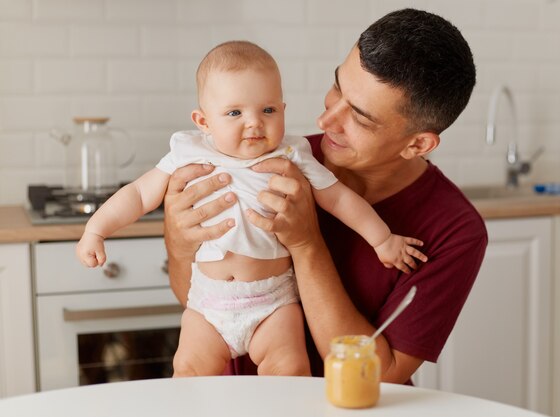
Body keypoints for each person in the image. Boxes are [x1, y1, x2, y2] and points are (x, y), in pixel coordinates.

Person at [163, 8, 488, 383]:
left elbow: (378, 374)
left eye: (361, 118)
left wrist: (306, 244)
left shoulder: (455, 230)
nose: (326, 121)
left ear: (418, 144)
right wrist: (179, 242)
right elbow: (200, 300)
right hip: (231, 397)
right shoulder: (273, 160)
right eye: (337, 87)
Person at [75, 40, 427, 378]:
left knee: (289, 370)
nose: (254, 122)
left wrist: (382, 240)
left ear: (283, 110)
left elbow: (338, 198)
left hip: (272, 301)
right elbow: (137, 195)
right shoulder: (189, 152)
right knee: (189, 371)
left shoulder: (292, 154)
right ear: (203, 121)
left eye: (268, 110)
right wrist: (97, 229)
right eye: (234, 112)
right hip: (208, 303)